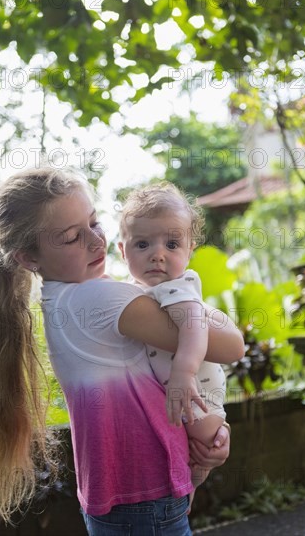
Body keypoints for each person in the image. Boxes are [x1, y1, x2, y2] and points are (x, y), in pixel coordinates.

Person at [0, 167, 244, 535]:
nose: (96, 242)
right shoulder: (97, 301)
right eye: (71, 238)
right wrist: (184, 291)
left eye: (94, 223)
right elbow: (231, 344)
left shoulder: (68, 298)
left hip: (123, 498)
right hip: (144, 498)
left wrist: (210, 432)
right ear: (28, 258)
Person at [118, 183, 233, 493]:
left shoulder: (176, 286)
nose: (158, 255)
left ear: (189, 250)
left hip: (196, 391)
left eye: (171, 244)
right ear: (122, 250)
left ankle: (197, 479)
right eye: (142, 245)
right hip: (177, 393)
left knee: (204, 436)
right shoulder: (136, 290)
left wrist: (185, 371)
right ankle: (192, 487)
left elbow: (194, 327)